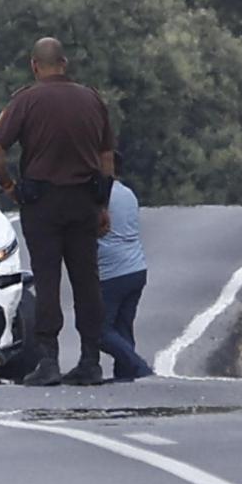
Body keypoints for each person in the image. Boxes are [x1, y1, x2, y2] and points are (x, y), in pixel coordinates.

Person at [0, 37, 115, 387]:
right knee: (87, 280)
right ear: (65, 63)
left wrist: (10, 186)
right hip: (85, 200)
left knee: (47, 280)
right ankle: (91, 359)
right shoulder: (92, 99)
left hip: (42, 202)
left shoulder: (26, 101)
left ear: (34, 65)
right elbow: (106, 158)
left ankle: (49, 360)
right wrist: (103, 203)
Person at [97, 152, 154, 380]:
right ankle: (125, 376)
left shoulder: (102, 197)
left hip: (112, 272)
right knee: (123, 327)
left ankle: (140, 368)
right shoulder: (128, 194)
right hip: (136, 268)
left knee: (99, 331)